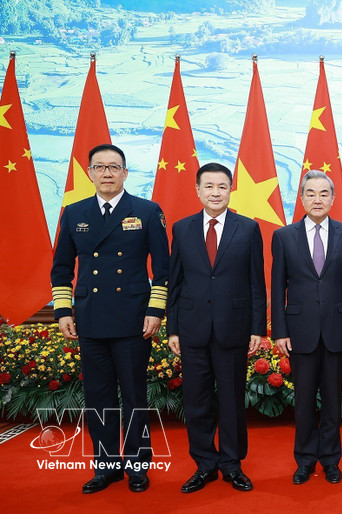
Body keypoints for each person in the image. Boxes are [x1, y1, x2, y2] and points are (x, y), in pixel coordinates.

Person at [51, 143, 169, 493]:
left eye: (114, 167)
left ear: (125, 173)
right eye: (99, 167)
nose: (106, 173)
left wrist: (155, 311)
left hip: (134, 319)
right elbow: (61, 268)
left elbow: (163, 269)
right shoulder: (74, 212)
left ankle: (137, 465)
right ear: (89, 173)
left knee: (134, 395)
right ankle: (105, 467)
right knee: (98, 397)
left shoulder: (147, 211)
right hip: (90, 317)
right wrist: (63, 311)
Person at [166, 163, 266, 492]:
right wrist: (173, 328)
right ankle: (205, 464)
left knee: (232, 401)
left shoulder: (247, 228)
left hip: (233, 328)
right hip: (192, 328)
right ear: (197, 190)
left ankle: (232, 464)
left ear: (230, 190)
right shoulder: (182, 229)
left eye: (222, 186)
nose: (215, 192)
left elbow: (256, 282)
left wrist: (257, 328)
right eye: (208, 186)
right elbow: (175, 282)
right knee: (197, 400)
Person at [271, 170, 342, 485]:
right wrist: (280, 331)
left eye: (324, 193)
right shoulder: (284, 236)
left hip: (337, 329)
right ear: (301, 198)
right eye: (311, 193)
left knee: (333, 401)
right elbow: (277, 287)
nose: (317, 199)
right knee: (304, 401)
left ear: (333, 199)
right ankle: (305, 460)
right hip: (299, 331)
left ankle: (331, 460)